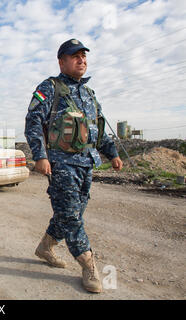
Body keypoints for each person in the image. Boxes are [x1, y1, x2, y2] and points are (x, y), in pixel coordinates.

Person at [24, 39, 123, 293]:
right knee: (70, 215)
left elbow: (98, 129)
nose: (81, 60)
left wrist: (112, 154)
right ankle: (87, 262)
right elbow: (33, 121)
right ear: (62, 61)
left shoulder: (89, 94)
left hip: (86, 163)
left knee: (72, 213)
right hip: (61, 164)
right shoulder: (50, 87)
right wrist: (40, 156)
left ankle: (45, 246)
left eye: (83, 56)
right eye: (75, 56)